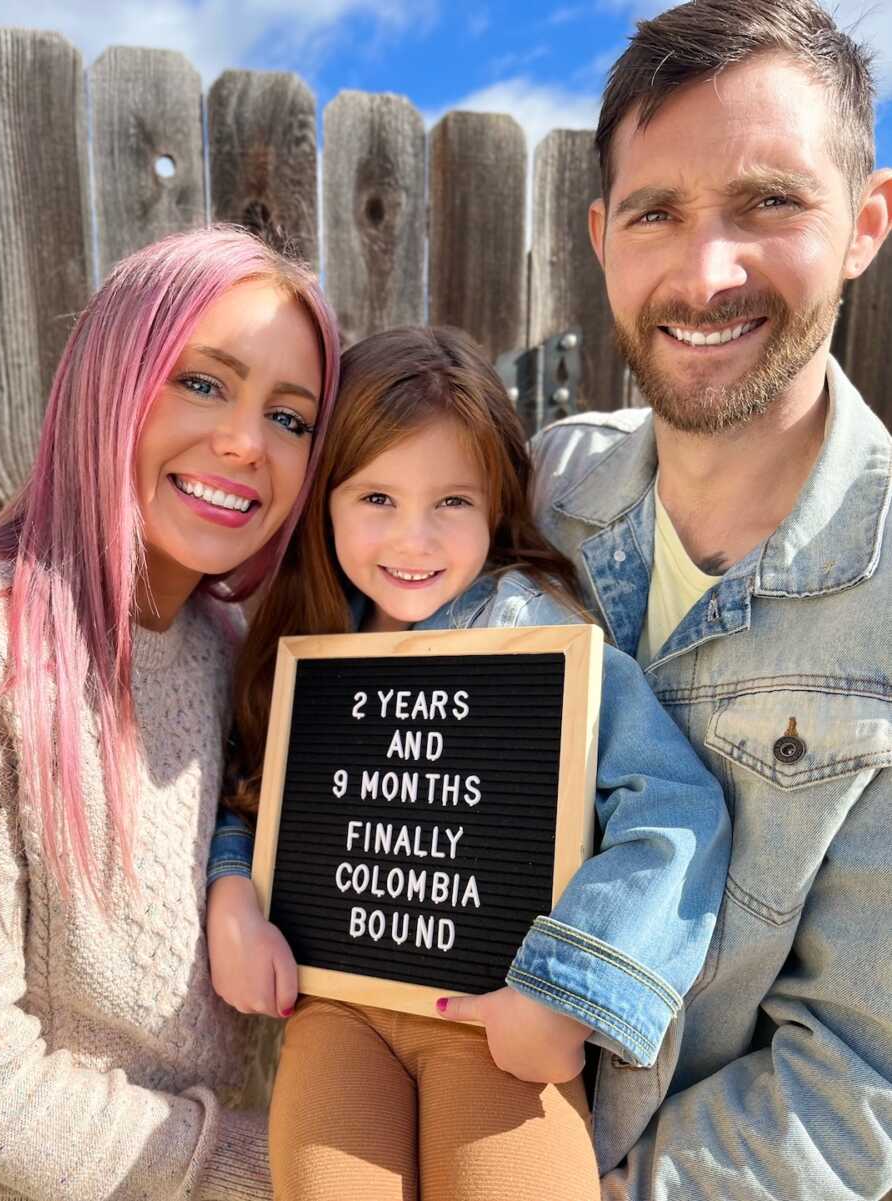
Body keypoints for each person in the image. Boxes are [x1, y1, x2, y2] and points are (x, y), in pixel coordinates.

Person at [205, 324, 730, 1201]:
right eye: (375, 498)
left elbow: (674, 808)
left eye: (451, 501)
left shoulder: (538, 642)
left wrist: (568, 991)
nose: (414, 540)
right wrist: (233, 896)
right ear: (323, 500)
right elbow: (254, 795)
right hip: (339, 1004)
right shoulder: (310, 643)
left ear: (496, 503)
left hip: (493, 1013)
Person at [529, 2, 892, 1198]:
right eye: (657, 213)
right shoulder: (530, 497)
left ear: (865, 224)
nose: (705, 271)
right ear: (600, 235)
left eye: (769, 203)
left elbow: (857, 1085)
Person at [0, 224, 340, 1201]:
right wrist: (277, 1176)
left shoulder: (239, 658)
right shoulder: (5, 651)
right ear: (115, 377)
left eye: (291, 416)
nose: (244, 441)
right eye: (202, 381)